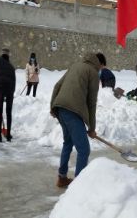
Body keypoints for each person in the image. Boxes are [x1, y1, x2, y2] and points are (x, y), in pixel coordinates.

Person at [50, 52, 101, 188]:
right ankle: (78, 186)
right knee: (84, 150)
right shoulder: (94, 73)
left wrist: (52, 107)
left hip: (60, 107)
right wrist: (91, 128)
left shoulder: (75, 66)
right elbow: (92, 102)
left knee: (68, 143)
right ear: (99, 65)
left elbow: (57, 86)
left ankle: (62, 178)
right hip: (73, 111)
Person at [0, 48, 16, 142]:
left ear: (1, 55)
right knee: (8, 112)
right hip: (10, 89)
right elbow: (14, 81)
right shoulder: (11, 67)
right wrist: (11, 93)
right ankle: (8, 135)